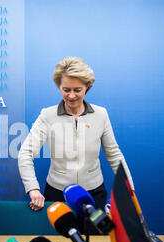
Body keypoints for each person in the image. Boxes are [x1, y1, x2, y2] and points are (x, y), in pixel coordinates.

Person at [18, 56, 134, 213]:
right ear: (59, 86)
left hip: (94, 193)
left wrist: (129, 189)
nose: (71, 96)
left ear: (87, 87)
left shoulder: (101, 114)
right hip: (57, 193)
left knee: (96, 236)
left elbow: (114, 154)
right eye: (66, 90)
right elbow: (25, 153)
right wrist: (33, 189)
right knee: (58, 237)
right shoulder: (47, 115)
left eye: (77, 90)